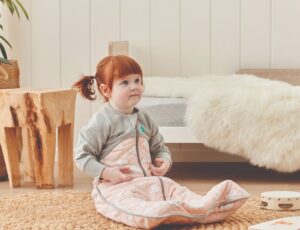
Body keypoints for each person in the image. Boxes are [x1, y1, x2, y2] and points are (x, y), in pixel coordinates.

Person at [73, 55, 249, 229]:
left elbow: (159, 148)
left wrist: (165, 161)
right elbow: (82, 156)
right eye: (125, 83)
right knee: (128, 205)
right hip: (117, 187)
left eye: (137, 81)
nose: (134, 87)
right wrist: (107, 173)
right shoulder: (101, 121)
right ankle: (164, 213)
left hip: (150, 183)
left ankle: (205, 205)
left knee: (173, 188)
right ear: (106, 90)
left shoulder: (144, 118)